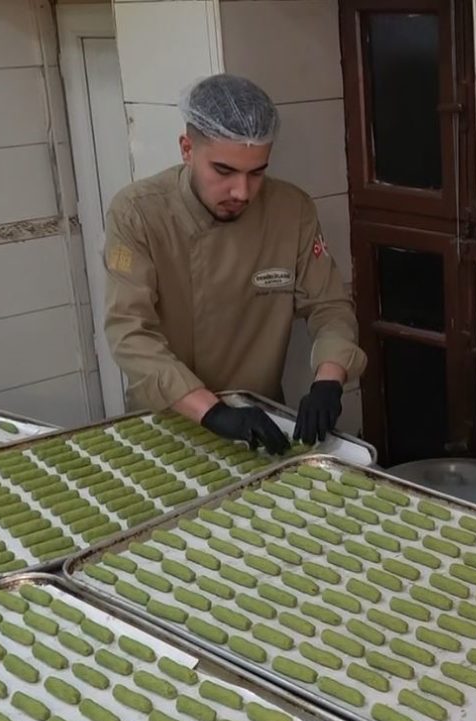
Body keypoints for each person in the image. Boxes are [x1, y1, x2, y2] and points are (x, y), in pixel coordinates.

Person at [102, 74, 365, 454]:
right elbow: (129, 332)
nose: (242, 192)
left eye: (257, 172)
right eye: (224, 171)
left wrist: (329, 378)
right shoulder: (138, 213)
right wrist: (213, 412)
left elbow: (330, 306)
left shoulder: (292, 210)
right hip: (167, 422)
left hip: (259, 421)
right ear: (187, 149)